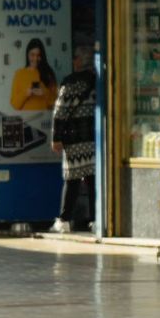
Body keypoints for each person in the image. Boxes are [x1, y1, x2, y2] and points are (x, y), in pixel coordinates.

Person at [49, 48, 98, 234]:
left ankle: (64, 220)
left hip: (75, 139)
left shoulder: (70, 83)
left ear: (77, 62)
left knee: (72, 180)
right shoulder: (95, 82)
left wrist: (56, 138)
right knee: (92, 180)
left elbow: (59, 113)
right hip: (92, 138)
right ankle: (95, 220)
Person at [9, 38, 58, 111]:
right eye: (32, 55)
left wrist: (44, 92)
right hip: (27, 119)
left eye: (38, 55)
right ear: (27, 54)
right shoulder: (19, 74)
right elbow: (15, 105)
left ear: (42, 56)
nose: (35, 59)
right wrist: (26, 93)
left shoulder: (48, 73)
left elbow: (56, 102)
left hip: (45, 120)